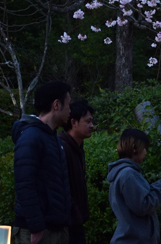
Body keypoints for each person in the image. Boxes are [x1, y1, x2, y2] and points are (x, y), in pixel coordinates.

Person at [13, 81, 73, 244]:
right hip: (38, 231)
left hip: (55, 227)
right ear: (56, 105)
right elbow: (25, 184)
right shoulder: (31, 137)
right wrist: (36, 226)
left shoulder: (53, 137)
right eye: (68, 104)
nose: (70, 110)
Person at [106, 128, 161, 244]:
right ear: (134, 148)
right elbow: (143, 205)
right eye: (144, 148)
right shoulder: (128, 174)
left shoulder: (123, 173)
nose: (145, 152)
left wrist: (160, 183)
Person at [60, 100, 96, 244]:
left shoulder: (77, 148)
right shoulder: (62, 148)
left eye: (92, 121)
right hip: (67, 224)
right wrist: (75, 214)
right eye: (87, 121)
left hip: (76, 222)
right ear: (73, 122)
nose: (91, 126)